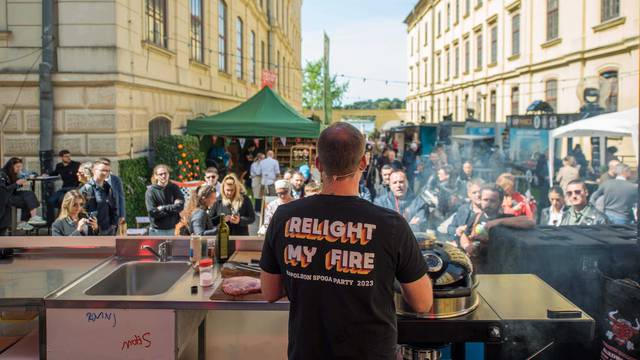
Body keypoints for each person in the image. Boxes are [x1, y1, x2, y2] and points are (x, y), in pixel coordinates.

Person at [259, 122, 432, 360]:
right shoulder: (391, 225)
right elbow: (423, 302)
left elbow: (269, 291)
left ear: (318, 165)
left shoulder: (284, 216)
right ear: (363, 163)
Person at [461, 184, 535, 257]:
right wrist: (466, 246)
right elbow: (464, 235)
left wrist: (497, 222)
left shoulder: (506, 218)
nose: (488, 204)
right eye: (485, 200)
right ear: (480, 200)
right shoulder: (475, 217)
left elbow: (530, 221)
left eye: (492, 201)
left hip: (498, 264)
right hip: (478, 264)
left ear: (500, 202)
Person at [0, 158, 44, 231]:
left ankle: (33, 217)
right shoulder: (2, 174)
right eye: (17, 167)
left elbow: (32, 173)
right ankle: (24, 221)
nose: (19, 169)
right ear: (11, 166)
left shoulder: (16, 173)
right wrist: (16, 184)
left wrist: (32, 176)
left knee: (29, 194)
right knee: (27, 200)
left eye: (21, 167)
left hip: (12, 194)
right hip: (5, 198)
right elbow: (3, 190)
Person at [79, 159, 118, 235]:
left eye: (107, 171)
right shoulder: (85, 190)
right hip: (93, 232)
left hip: (109, 230)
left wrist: (114, 224)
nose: (105, 173)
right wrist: (93, 227)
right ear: (93, 171)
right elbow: (80, 212)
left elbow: (114, 207)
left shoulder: (109, 187)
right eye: (102, 170)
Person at [145, 164, 185, 236]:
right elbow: (152, 212)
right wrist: (173, 210)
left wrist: (162, 208)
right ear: (156, 176)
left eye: (165, 173)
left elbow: (180, 206)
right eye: (160, 174)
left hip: (174, 230)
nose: (163, 176)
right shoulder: (150, 191)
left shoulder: (174, 188)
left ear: (168, 174)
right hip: (157, 231)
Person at [99, 158, 126, 227]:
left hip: (115, 215)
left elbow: (121, 198)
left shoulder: (116, 180)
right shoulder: (97, 179)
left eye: (107, 165)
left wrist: (122, 215)